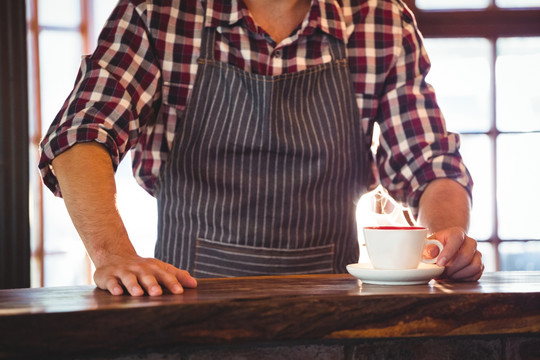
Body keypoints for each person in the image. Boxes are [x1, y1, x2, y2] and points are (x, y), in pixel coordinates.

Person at [39, 0, 484, 296]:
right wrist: (113, 254)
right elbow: (83, 133)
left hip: (332, 319)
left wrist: (446, 238)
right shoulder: (159, 13)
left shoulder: (380, 20)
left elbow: (429, 163)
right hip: (184, 309)